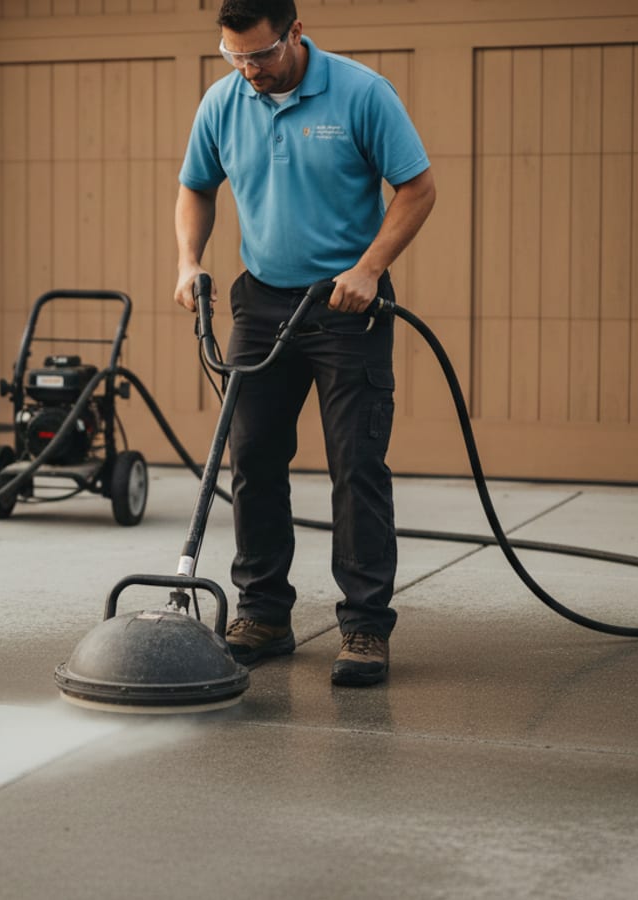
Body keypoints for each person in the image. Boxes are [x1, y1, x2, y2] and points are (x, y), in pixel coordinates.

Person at [173, 0, 436, 685]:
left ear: (295, 30)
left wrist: (370, 267)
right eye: (235, 56)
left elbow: (417, 187)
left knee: (356, 466)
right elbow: (196, 188)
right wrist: (188, 261)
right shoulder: (223, 100)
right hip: (261, 303)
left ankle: (364, 629)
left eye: (260, 54)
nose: (249, 70)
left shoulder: (360, 93)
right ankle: (262, 614)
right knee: (253, 458)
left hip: (347, 306)